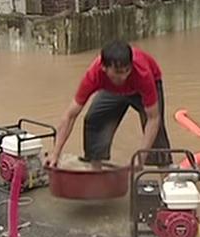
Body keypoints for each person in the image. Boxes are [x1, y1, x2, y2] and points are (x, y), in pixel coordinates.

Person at [46, 40, 172, 169]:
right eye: (118, 72)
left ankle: (165, 175)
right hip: (112, 90)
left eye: (126, 70)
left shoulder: (142, 74)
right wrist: (55, 153)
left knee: (157, 131)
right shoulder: (94, 75)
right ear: (104, 68)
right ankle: (96, 170)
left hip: (141, 87)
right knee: (95, 119)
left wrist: (140, 159)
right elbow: (70, 115)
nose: (123, 77)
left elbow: (153, 118)